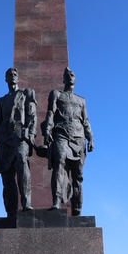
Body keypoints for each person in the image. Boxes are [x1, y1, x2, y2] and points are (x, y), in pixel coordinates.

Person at [42, 67, 94, 215]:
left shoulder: (81, 100)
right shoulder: (56, 95)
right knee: (59, 162)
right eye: (67, 75)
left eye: (73, 75)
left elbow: (86, 121)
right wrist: (47, 131)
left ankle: (77, 209)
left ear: (75, 80)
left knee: (77, 176)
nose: (70, 77)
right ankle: (57, 201)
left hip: (78, 137)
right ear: (63, 79)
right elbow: (50, 113)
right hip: (61, 133)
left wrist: (90, 138)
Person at [0, 67, 37, 215]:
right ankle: (11, 210)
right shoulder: (1, 101)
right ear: (6, 79)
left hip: (20, 135)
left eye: (15, 74)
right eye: (9, 75)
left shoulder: (26, 93)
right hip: (4, 139)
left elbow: (32, 116)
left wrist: (31, 135)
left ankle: (26, 202)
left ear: (18, 77)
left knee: (22, 160)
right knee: (7, 175)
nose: (12, 76)